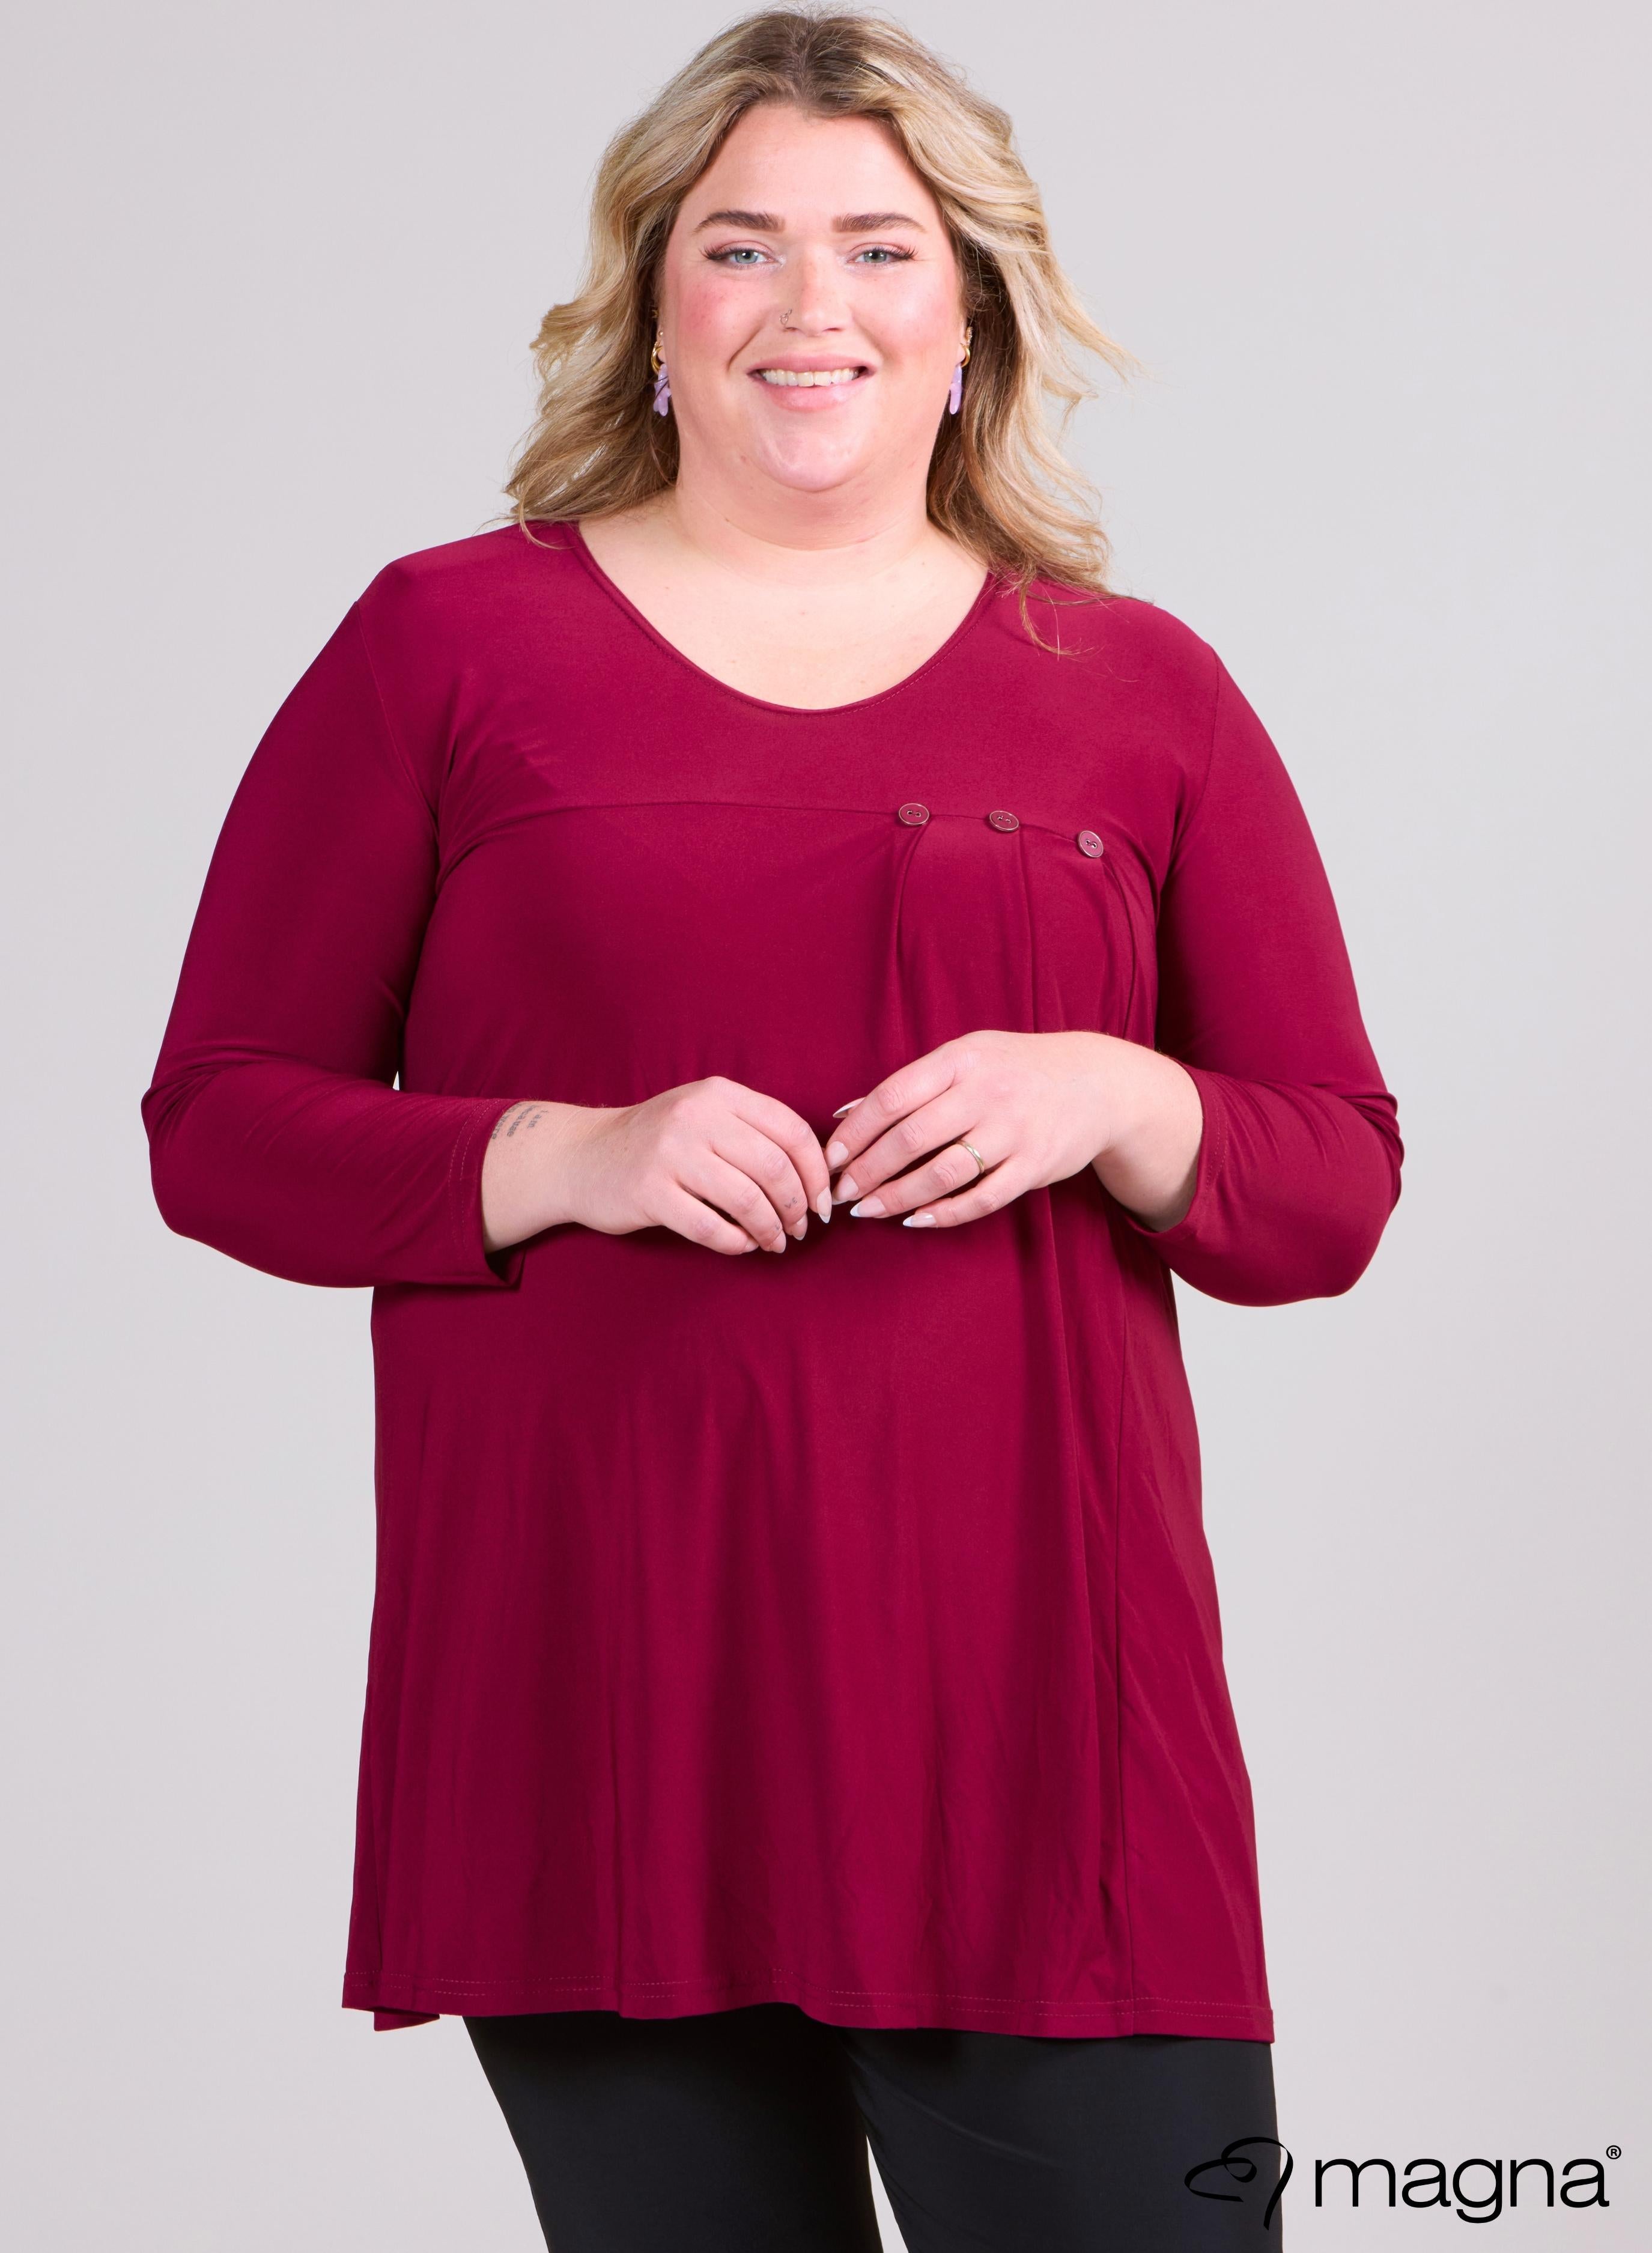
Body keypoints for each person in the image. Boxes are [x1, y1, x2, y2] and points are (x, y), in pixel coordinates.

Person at [140, 9, 1400, 2246]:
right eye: (741, 245)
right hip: (600, 1720)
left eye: (881, 248)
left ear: (971, 318)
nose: (813, 305)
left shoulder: (1145, 690)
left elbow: (1330, 1186)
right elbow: (219, 1123)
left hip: (1039, 1746)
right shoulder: (443, 648)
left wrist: (1117, 1093)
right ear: (651, 307)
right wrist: (562, 1154)